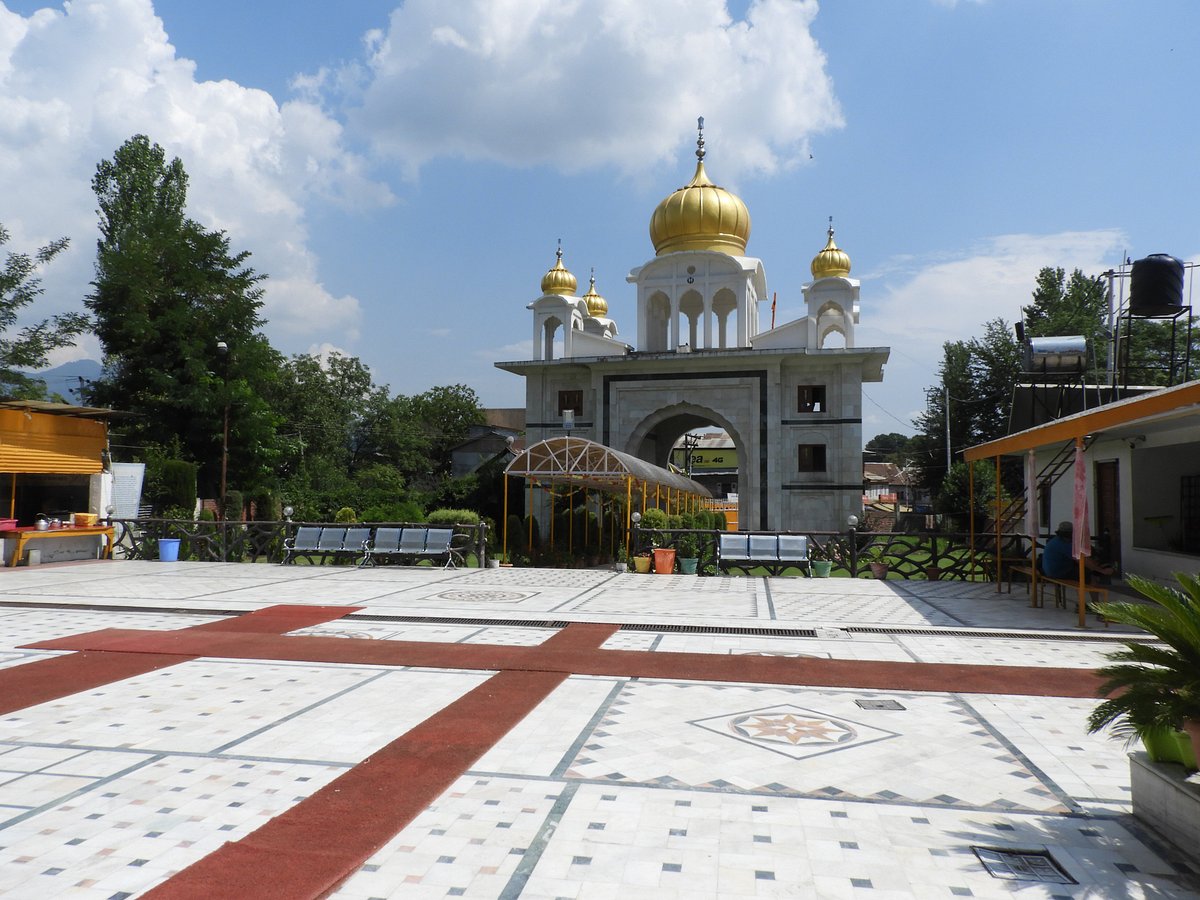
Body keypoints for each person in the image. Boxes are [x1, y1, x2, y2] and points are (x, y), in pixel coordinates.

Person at [1039, 521, 1114, 580]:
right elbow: (1082, 559)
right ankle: (1095, 599)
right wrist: (1101, 570)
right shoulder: (1064, 544)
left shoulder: (1055, 540)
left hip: (1050, 571)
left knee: (1084, 568)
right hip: (1058, 573)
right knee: (1087, 574)